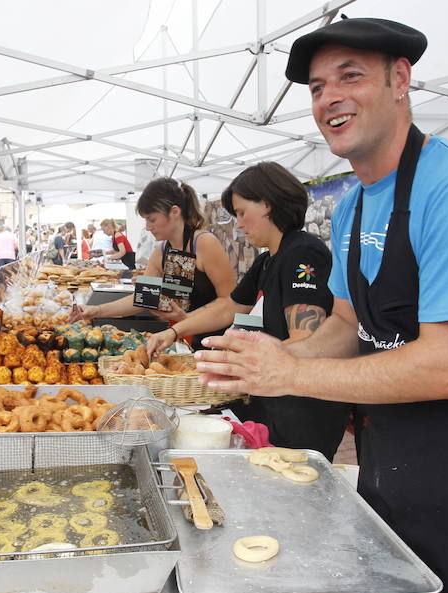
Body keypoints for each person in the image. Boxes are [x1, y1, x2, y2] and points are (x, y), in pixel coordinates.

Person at [194, 18, 448, 593]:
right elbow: (347, 324)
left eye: (351, 76)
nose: (330, 98)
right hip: (395, 448)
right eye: (317, 87)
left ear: (400, 80)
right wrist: (268, 356)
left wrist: (292, 373)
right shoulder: (353, 208)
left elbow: (447, 368)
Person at [146, 163, 350, 459]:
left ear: (267, 204)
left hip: (303, 408)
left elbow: (306, 337)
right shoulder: (268, 259)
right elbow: (230, 305)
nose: (238, 224)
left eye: (242, 212)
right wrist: (175, 331)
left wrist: (235, 363)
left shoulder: (303, 253)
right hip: (273, 398)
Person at [73, 179, 236, 350]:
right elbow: (143, 299)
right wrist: (96, 310)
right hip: (181, 339)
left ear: (174, 212)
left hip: (215, 342)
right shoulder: (161, 251)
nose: (148, 227)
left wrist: (187, 318)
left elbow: (229, 301)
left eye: (152, 219)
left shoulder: (204, 243)